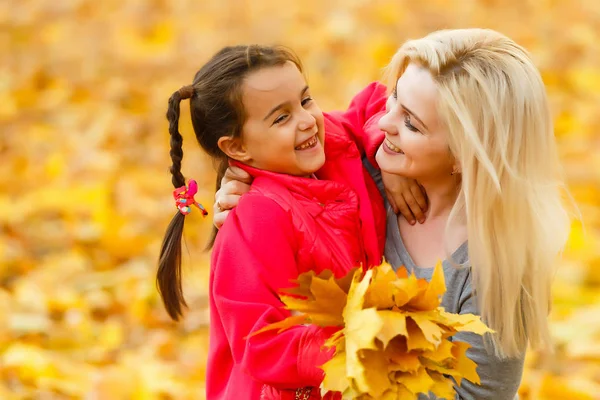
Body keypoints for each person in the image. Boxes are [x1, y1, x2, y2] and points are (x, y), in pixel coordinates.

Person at [213, 29, 572, 399]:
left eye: (411, 123)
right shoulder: (359, 174)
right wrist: (247, 191)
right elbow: (314, 136)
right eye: (394, 100)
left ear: (467, 154)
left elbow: (477, 395)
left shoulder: (493, 264)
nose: (385, 124)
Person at [156, 44, 404, 400]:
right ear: (238, 148)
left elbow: (375, 101)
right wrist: (362, 347)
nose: (305, 120)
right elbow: (260, 342)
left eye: (305, 101)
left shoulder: (332, 144)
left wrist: (390, 152)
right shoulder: (257, 218)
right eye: (281, 117)